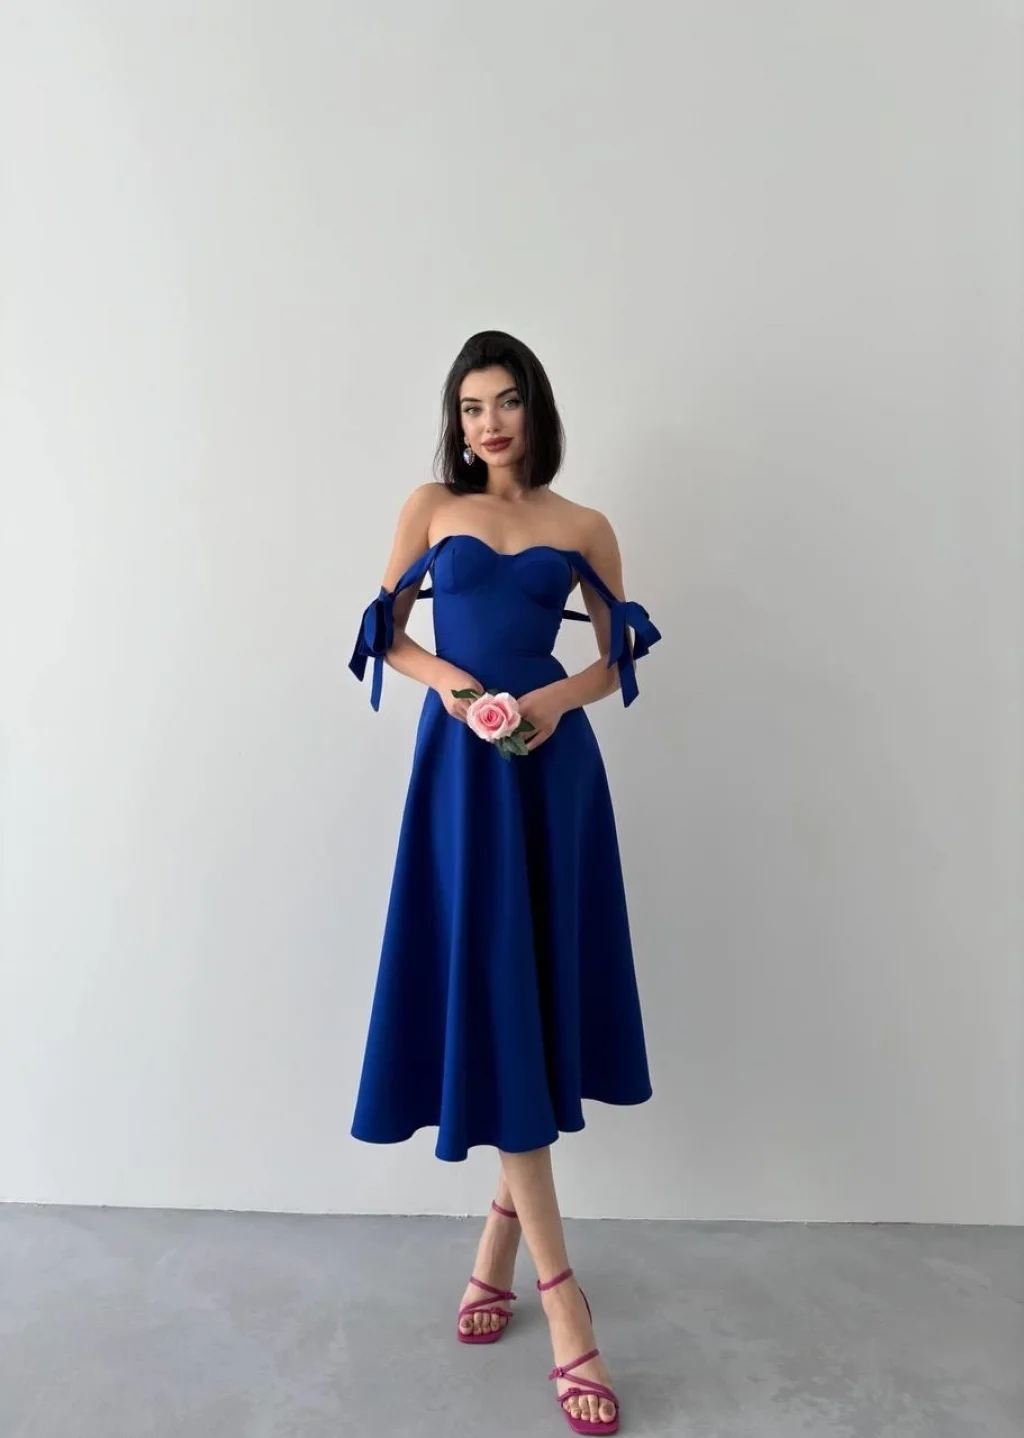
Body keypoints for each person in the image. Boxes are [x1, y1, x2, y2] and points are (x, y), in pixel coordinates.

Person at [348, 330, 661, 1435]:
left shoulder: (584, 526)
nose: (487, 423)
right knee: (490, 990)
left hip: (550, 777)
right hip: (460, 774)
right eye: (471, 406)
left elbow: (616, 656)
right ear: (456, 418)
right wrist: (450, 686)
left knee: (521, 991)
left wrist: (552, 704)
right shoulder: (430, 506)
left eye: (507, 402)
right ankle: (563, 1300)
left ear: (536, 410)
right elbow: (385, 633)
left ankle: (497, 1251)